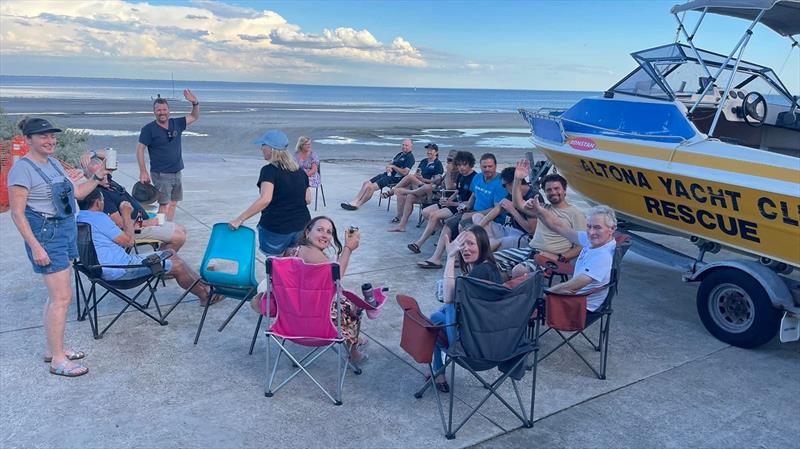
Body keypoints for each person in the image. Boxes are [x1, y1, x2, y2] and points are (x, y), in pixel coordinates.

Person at [7, 118, 109, 377]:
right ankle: (58, 361)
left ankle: (53, 350)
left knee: (56, 297)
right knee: (62, 299)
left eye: (52, 136)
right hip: (46, 235)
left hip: (64, 229)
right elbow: (17, 213)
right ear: (28, 139)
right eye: (43, 136)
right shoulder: (22, 170)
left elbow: (77, 194)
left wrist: (97, 178)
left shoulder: (53, 163)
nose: (50, 140)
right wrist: (36, 247)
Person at [76, 189, 222, 305]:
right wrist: (126, 214)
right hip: (121, 271)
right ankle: (205, 295)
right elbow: (129, 241)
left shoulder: (79, 218)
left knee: (170, 252)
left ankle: (204, 286)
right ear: (97, 202)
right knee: (176, 264)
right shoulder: (99, 218)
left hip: (99, 270)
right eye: (102, 200)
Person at [282, 216, 368, 363]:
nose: (325, 235)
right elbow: (337, 276)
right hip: (314, 325)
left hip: (290, 320)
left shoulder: (292, 251)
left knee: (341, 301)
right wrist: (348, 248)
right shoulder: (314, 255)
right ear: (307, 232)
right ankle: (353, 352)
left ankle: (353, 337)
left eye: (329, 232)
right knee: (353, 306)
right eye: (320, 230)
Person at [427, 225, 502, 392]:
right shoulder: (489, 267)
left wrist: (451, 257)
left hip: (472, 348)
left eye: (471, 244)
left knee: (434, 321)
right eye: (462, 244)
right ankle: (437, 369)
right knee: (439, 317)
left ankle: (438, 370)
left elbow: (448, 298)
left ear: (482, 245)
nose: (465, 249)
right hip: (494, 344)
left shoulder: (480, 273)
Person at [80, 149, 187, 252]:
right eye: (97, 176)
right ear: (89, 177)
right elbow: (121, 224)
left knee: (182, 229)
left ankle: (160, 260)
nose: (102, 177)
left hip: (143, 222)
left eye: (103, 173)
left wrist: (91, 153)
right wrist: (147, 223)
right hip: (135, 229)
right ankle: (158, 265)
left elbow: (111, 155)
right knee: (179, 237)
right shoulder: (100, 194)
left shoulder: (108, 180)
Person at [494, 159, 586, 278]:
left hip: (550, 257)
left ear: (564, 190)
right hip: (530, 250)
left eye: (556, 188)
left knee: (518, 271)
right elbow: (517, 203)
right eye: (549, 190)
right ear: (545, 192)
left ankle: (521, 293)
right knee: (492, 260)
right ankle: (509, 293)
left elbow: (581, 246)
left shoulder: (575, 214)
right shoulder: (542, 208)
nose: (553, 192)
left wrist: (560, 257)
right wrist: (517, 179)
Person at [229, 130, 311, 256]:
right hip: (302, 226)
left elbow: (265, 199)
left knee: (275, 265)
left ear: (272, 149)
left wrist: (240, 219)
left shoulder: (269, 171)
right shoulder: (300, 172)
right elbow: (308, 199)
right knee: (293, 264)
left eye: (263, 145)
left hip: (277, 228)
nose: (261, 148)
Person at [524, 201, 618, 312]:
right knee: (523, 292)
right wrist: (539, 210)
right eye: (589, 226)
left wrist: (542, 296)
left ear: (612, 228)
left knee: (523, 300)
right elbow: (558, 226)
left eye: (597, 228)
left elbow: (571, 287)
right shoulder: (595, 241)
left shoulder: (603, 256)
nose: (591, 232)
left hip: (578, 307)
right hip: (573, 298)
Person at [417, 153, 505, 269]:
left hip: (489, 218)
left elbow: (497, 209)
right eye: (484, 167)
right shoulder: (478, 177)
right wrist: (467, 206)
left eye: (490, 166)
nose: (487, 169)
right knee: (449, 223)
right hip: (472, 210)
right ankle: (436, 258)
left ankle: (460, 258)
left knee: (463, 225)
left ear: (495, 166)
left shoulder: (500, 183)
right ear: (480, 166)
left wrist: (472, 213)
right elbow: (473, 195)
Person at [136, 90, 200, 222]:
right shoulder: (148, 129)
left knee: (174, 202)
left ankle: (168, 228)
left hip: (177, 171)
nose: (162, 112)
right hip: (161, 173)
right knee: (164, 204)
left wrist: (195, 102)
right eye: (159, 110)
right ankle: (160, 230)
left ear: (169, 110)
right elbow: (140, 149)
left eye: (164, 109)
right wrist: (143, 171)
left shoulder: (177, 123)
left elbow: (194, 117)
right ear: (154, 112)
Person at [407, 151, 476, 254]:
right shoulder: (462, 175)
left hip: (460, 207)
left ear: (470, 164)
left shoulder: (474, 178)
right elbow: (458, 190)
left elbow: (470, 202)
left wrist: (452, 203)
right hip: (453, 202)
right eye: (459, 165)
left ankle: (418, 244)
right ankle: (444, 232)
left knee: (434, 215)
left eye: (464, 164)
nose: (461, 167)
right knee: (425, 212)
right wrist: (448, 200)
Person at [471, 167, 537, 250]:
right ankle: (489, 240)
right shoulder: (512, 194)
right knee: (477, 217)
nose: (504, 189)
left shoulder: (532, 197)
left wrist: (513, 211)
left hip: (524, 236)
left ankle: (485, 247)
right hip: (509, 230)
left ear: (513, 183)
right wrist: (477, 228)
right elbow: (497, 209)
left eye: (504, 185)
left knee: (501, 242)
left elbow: (531, 230)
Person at [340, 138, 415, 210]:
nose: (404, 147)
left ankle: (358, 204)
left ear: (411, 146)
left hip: (395, 179)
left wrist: (394, 167)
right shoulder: (400, 154)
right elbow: (390, 163)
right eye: (403, 145)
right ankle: (355, 201)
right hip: (387, 174)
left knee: (371, 187)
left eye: (406, 145)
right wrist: (388, 167)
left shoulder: (410, 158)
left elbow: (405, 172)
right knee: (366, 183)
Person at [386, 143, 445, 231]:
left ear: (436, 152)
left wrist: (423, 179)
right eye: (428, 150)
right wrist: (417, 176)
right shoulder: (423, 161)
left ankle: (392, 191)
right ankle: (401, 225)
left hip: (428, 189)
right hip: (418, 185)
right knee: (407, 194)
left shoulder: (438, 164)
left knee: (409, 178)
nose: (429, 151)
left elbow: (437, 181)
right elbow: (417, 174)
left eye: (431, 150)